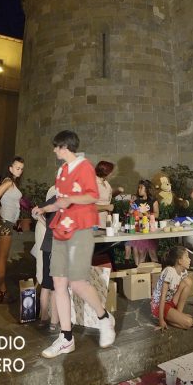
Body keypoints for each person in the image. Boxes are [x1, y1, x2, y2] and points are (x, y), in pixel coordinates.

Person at [32, 131, 116, 358]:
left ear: (65, 147)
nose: (54, 150)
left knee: (77, 283)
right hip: (60, 228)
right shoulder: (61, 171)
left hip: (81, 228)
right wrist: (45, 208)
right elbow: (60, 201)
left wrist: (70, 200)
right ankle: (66, 338)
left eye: (56, 147)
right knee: (59, 283)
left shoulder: (85, 166)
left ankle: (104, 318)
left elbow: (91, 196)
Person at [0, 156, 24, 303]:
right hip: (5, 223)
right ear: (10, 168)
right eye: (17, 168)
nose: (19, 171)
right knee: (2, 257)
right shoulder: (8, 182)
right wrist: (3, 209)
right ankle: (2, 290)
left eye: (21, 168)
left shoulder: (11, 182)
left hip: (6, 223)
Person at [151, 246, 193, 330]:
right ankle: (167, 319)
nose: (189, 260)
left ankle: (178, 313)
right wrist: (161, 320)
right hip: (160, 306)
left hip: (171, 301)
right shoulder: (169, 271)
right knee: (189, 322)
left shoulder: (183, 271)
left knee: (188, 281)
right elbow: (162, 297)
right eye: (187, 257)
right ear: (180, 261)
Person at [35, 186, 58, 331]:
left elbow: (35, 211)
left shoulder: (52, 200)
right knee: (56, 287)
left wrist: (45, 223)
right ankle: (54, 321)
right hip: (57, 247)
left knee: (46, 284)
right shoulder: (63, 201)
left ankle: (43, 318)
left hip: (47, 246)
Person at [130, 179, 159, 265]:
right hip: (139, 229)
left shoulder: (153, 201)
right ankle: (141, 275)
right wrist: (131, 209)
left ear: (146, 189)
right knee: (141, 252)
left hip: (151, 229)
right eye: (138, 187)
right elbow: (131, 213)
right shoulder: (136, 201)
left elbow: (157, 214)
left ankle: (156, 273)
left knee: (153, 252)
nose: (139, 189)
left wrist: (144, 214)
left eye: (141, 188)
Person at [95, 160, 115, 229]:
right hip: (96, 225)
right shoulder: (94, 183)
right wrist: (106, 207)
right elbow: (89, 207)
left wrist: (118, 191)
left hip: (105, 223)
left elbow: (107, 196)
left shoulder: (105, 182)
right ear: (105, 171)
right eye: (111, 172)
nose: (112, 174)